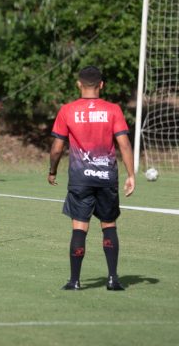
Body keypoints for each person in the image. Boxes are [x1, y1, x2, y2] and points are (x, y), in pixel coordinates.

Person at [48, 66, 135, 291]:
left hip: (80, 179)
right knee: (109, 226)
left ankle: (75, 281)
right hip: (107, 177)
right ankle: (113, 279)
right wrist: (131, 174)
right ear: (101, 85)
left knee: (79, 228)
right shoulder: (113, 109)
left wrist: (52, 170)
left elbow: (57, 148)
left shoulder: (67, 110)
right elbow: (124, 144)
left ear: (79, 84)